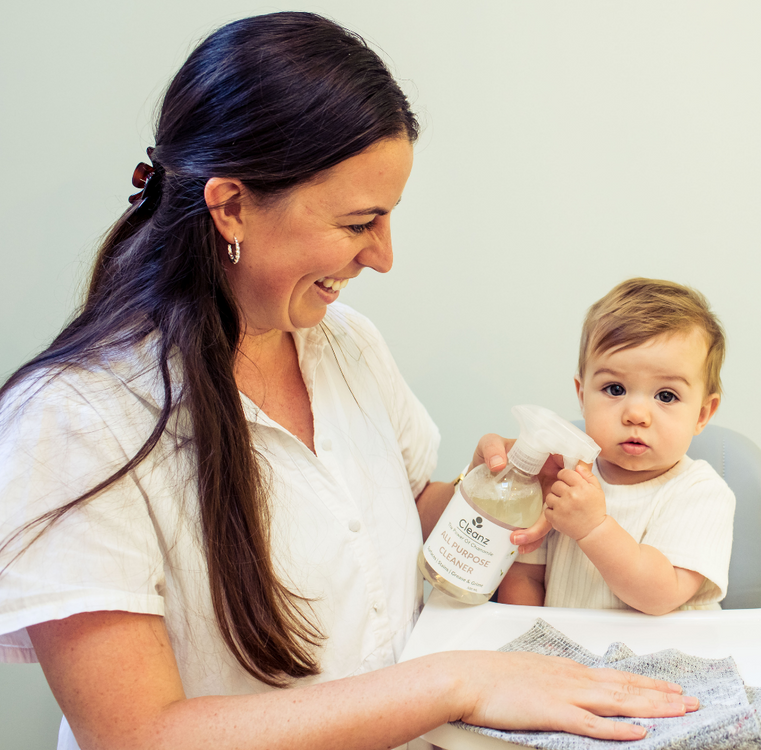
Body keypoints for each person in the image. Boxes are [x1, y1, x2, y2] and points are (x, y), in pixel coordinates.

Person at [0, 13, 699, 750]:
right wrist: (457, 681)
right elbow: (136, 735)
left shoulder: (345, 345)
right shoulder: (76, 422)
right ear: (231, 206)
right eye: (360, 220)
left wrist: (494, 491)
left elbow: (384, 516)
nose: (384, 256)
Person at [498, 278, 736, 615]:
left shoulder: (701, 493)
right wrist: (525, 644)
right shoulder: (560, 476)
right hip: (562, 657)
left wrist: (594, 528)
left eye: (665, 396)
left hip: (660, 660)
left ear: (702, 413)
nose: (636, 414)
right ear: (582, 396)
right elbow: (524, 576)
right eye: (614, 389)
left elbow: (661, 595)